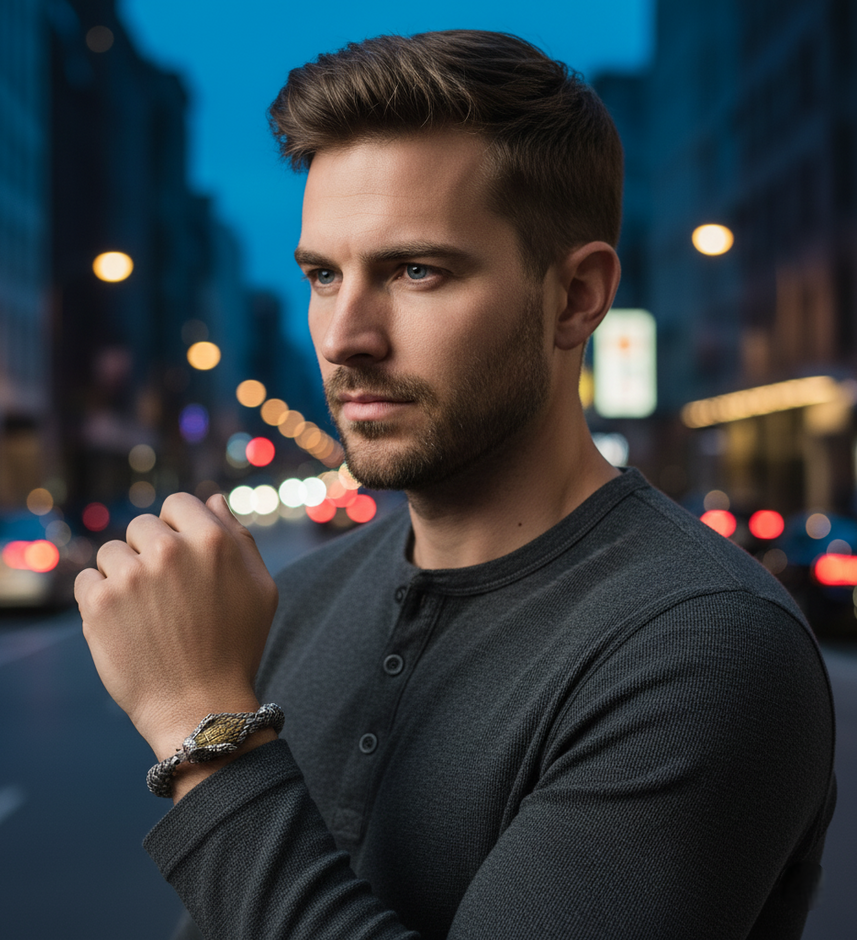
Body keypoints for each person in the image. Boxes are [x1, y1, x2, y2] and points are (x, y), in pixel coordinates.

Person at [75, 30, 836, 940]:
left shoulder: (701, 645)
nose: (344, 336)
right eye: (323, 275)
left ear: (577, 296)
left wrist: (200, 724)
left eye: (416, 270)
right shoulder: (292, 600)